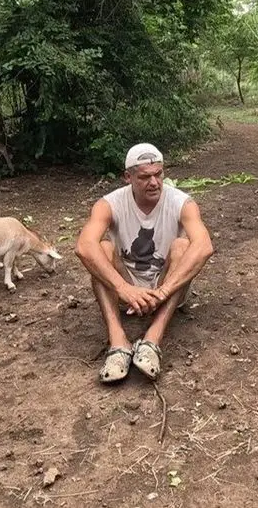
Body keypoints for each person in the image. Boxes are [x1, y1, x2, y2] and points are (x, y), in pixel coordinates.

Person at [74, 143, 214, 383]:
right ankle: (118, 342)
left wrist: (163, 291)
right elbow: (84, 246)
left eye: (159, 174)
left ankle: (153, 339)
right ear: (128, 177)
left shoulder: (182, 203)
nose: (154, 182)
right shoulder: (109, 204)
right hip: (126, 288)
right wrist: (124, 289)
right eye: (145, 177)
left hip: (166, 285)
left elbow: (204, 246)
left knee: (183, 246)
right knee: (103, 248)